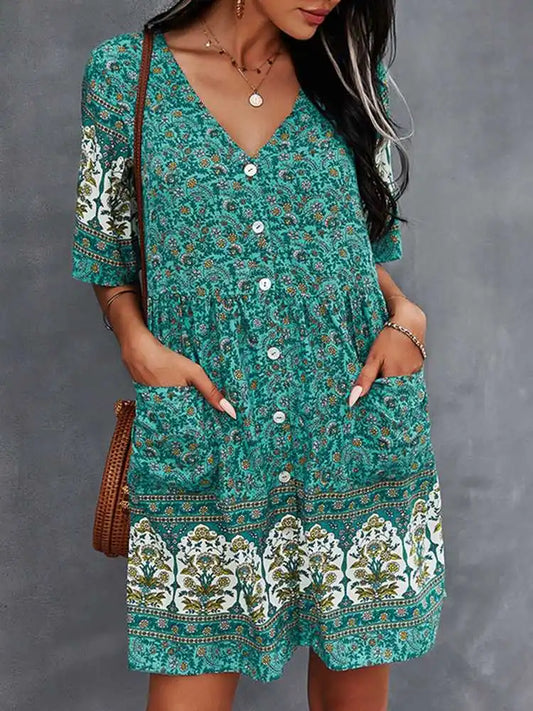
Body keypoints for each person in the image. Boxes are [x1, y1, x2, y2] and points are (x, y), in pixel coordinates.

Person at [71, 0, 447, 708]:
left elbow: (360, 253)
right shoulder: (126, 75)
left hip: (349, 432)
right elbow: (107, 254)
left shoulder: (349, 74)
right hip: (211, 437)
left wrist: (407, 319)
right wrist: (136, 342)